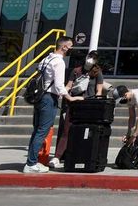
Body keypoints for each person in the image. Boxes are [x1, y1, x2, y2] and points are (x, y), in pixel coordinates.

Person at [23, 35, 83, 173]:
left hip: (40, 97)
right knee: (42, 131)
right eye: (70, 46)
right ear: (64, 47)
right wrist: (70, 98)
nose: (72, 49)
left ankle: (32, 161)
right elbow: (59, 85)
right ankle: (31, 164)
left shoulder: (46, 59)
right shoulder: (59, 62)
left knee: (37, 130)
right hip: (49, 98)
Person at [52, 50, 106, 169]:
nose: (91, 59)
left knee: (86, 132)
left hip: (88, 105)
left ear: (96, 61)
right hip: (74, 104)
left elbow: (99, 91)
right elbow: (68, 86)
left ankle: (82, 156)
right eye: (90, 56)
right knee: (67, 131)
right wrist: (64, 94)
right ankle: (57, 157)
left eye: (94, 58)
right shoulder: (76, 71)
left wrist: (96, 105)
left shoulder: (97, 72)